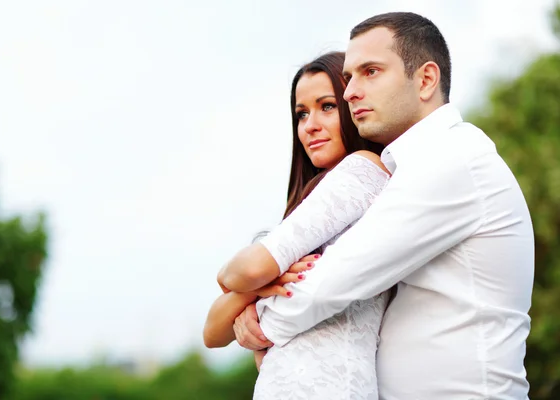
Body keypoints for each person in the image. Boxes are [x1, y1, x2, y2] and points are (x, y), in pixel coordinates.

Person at [229, 12, 535, 400]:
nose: (350, 92)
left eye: (370, 71)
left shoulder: (452, 159)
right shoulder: (413, 167)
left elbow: (331, 283)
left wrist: (259, 323)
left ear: (425, 80)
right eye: (351, 76)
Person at [204, 51, 390, 399]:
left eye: (327, 106)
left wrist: (250, 279)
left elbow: (240, 272)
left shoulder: (364, 170)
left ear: (354, 106)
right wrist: (259, 286)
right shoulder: (311, 206)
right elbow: (213, 332)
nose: (310, 125)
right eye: (301, 114)